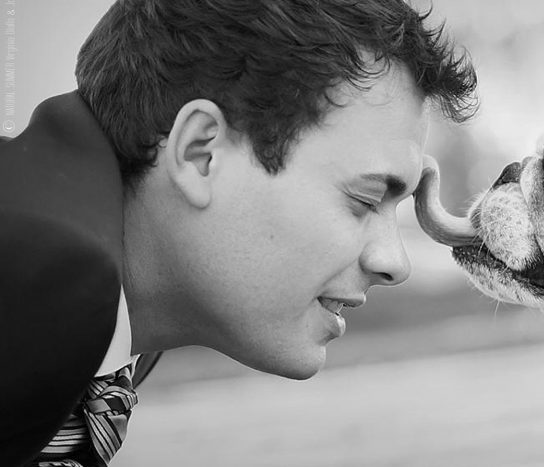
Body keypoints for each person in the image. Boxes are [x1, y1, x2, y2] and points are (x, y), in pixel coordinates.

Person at [0, 1, 477, 465]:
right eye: (366, 200)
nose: (396, 261)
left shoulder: (121, 304)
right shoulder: (39, 285)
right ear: (200, 153)